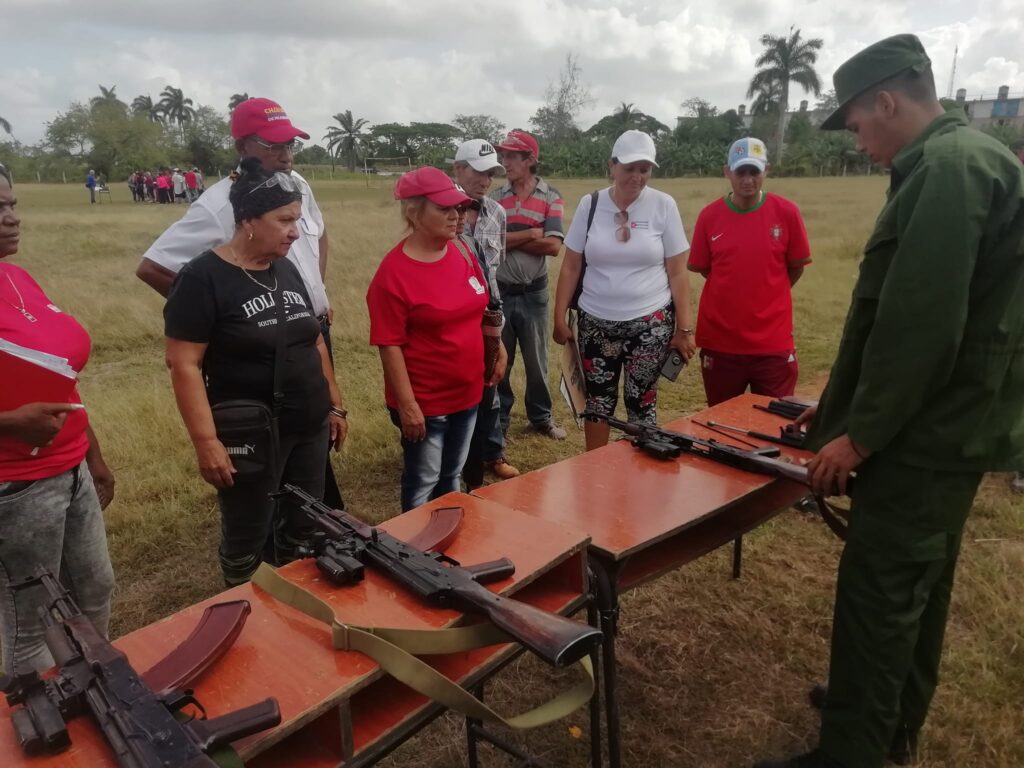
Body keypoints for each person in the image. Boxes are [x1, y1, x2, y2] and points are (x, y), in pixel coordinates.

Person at [754, 34, 1024, 768]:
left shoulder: (945, 169)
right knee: (918, 586)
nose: (858, 140)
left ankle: (853, 749)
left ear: (887, 99)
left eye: (856, 124)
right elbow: (901, 318)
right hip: (953, 429)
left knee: (880, 595)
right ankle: (892, 721)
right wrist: (835, 406)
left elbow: (922, 328)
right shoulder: (972, 157)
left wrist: (861, 437)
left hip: (921, 437)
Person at [136, 97, 344, 510]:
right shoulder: (220, 204)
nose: (285, 155)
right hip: (262, 344)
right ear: (242, 148)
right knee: (271, 445)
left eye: (290, 145)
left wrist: (313, 292)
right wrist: (221, 321)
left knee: (313, 430)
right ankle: (268, 540)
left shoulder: (297, 184)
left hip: (308, 332)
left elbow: (317, 233)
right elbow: (154, 266)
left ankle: (317, 524)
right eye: (273, 146)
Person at [164, 157, 348, 586]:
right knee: (248, 529)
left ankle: (298, 598)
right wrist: (207, 442)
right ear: (247, 219)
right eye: (284, 220)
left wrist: (334, 406)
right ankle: (239, 605)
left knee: (305, 523)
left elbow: (314, 339)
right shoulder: (202, 278)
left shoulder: (286, 268)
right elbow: (183, 363)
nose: (295, 231)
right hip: (251, 433)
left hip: (309, 423)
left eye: (298, 219)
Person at [0, 162, 116, 676]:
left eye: (11, 205)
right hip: (15, 487)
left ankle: (99, 698)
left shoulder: (17, 275)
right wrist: (8, 422)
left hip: (71, 473)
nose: (10, 219)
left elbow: (61, 378)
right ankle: (36, 732)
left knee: (95, 591)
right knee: (30, 626)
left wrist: (93, 455)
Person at [367, 167, 505, 511]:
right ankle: (413, 553)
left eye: (457, 208)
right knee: (423, 482)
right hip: (427, 402)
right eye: (444, 208)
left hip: (469, 392)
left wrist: (497, 347)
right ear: (415, 213)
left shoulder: (461, 252)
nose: (455, 216)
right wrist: (409, 406)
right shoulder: (394, 274)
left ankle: (448, 542)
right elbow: (389, 344)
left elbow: (479, 306)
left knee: (452, 477)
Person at [553, 130, 696, 450]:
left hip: (650, 325)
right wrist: (559, 317)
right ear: (612, 166)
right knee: (597, 403)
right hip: (595, 324)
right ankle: (596, 471)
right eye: (630, 167)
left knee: (641, 402)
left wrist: (684, 328)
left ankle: (637, 479)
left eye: (644, 169)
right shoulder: (591, 204)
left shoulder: (663, 205)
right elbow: (571, 265)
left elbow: (677, 272)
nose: (637, 176)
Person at [687, 137, 811, 406]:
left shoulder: (787, 213)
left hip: (773, 344)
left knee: (774, 424)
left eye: (754, 171)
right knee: (722, 422)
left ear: (766, 171)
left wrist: (767, 292)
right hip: (721, 343)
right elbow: (706, 269)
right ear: (727, 172)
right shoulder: (709, 217)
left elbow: (795, 268)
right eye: (740, 171)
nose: (747, 179)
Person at [490, 130, 567, 441]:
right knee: (500, 361)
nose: (504, 161)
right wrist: (531, 234)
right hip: (502, 293)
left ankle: (541, 417)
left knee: (537, 362)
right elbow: (490, 243)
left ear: (530, 160)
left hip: (534, 293)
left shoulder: (551, 196)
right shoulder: (495, 199)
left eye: (511, 156)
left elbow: (553, 246)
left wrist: (512, 240)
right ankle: (501, 422)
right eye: (504, 155)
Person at [451, 139, 519, 485]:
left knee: (491, 384)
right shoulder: (442, 211)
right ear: (457, 169)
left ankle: (492, 453)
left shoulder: (498, 213)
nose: (485, 180)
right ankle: (455, 462)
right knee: (458, 390)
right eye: (478, 172)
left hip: (489, 311)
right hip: (454, 315)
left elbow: (496, 266)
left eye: (490, 173)